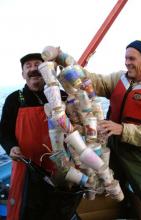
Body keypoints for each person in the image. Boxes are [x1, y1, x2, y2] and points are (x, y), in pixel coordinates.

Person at [67, 40, 141, 220]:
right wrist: (69, 64)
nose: (127, 62)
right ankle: (122, 208)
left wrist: (123, 129)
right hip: (113, 144)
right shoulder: (120, 78)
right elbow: (94, 82)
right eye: (125, 58)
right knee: (104, 183)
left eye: (132, 58)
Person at [0, 53, 82, 220]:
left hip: (60, 167)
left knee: (58, 210)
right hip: (26, 167)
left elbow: (79, 126)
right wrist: (10, 147)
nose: (33, 69)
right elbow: (3, 132)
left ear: (46, 71)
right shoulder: (14, 99)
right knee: (26, 211)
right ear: (23, 74)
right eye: (28, 66)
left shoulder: (62, 96)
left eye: (37, 64)